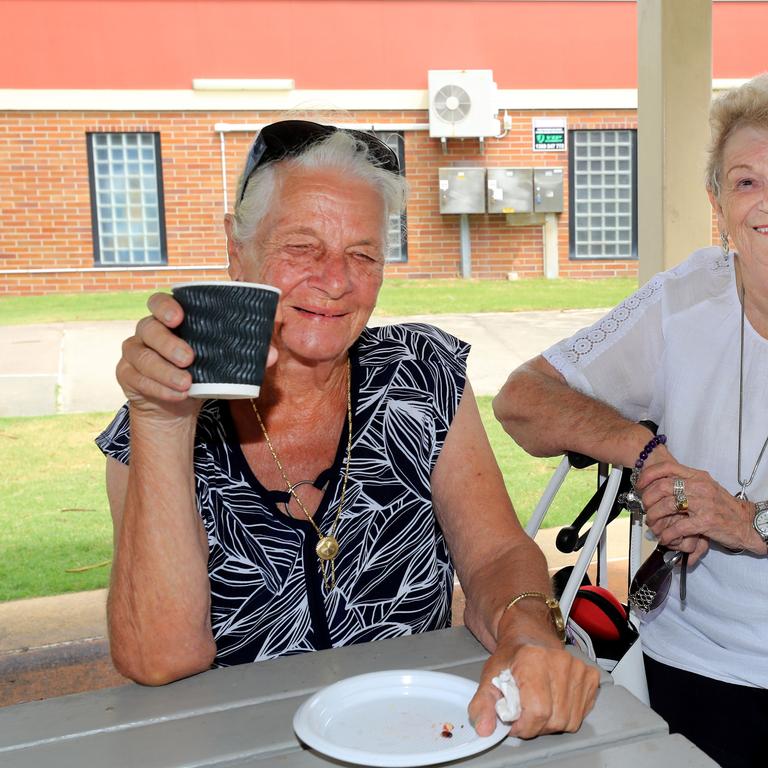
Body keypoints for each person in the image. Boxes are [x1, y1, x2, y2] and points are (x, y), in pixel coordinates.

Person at [96, 119, 598, 739]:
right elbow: (157, 658)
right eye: (301, 247)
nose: (335, 281)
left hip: (416, 733)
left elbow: (494, 552)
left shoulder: (421, 376)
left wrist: (526, 631)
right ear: (237, 247)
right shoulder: (160, 414)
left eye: (362, 253)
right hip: (236, 745)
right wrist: (162, 423)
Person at [493, 74, 768, 767]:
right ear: (717, 203)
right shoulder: (684, 302)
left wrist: (750, 524)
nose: (766, 203)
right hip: (697, 661)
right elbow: (523, 399)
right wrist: (648, 457)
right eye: (745, 182)